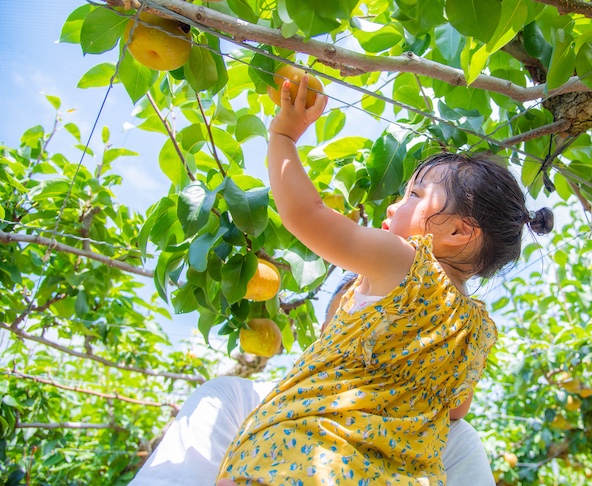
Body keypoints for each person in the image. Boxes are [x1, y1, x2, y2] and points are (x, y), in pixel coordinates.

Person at [216, 75, 554, 485]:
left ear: (458, 233)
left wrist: (283, 136)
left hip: (305, 455)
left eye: (414, 195)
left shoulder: (406, 261)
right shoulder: (479, 329)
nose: (396, 204)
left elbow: (306, 214)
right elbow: (456, 409)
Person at [130, 275, 497, 485]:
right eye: (358, 326)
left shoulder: (449, 440)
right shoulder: (233, 403)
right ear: (324, 334)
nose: (381, 347)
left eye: (403, 336)